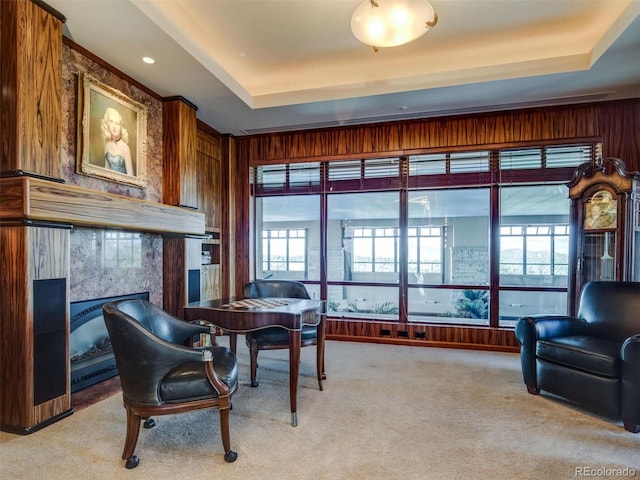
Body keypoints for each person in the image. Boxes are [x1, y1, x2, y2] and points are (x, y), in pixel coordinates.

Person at [101, 107, 133, 175]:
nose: (114, 126)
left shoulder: (125, 148)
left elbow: (131, 176)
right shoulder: (107, 143)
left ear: (121, 127)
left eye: (117, 123)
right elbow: (107, 168)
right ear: (108, 124)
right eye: (111, 122)